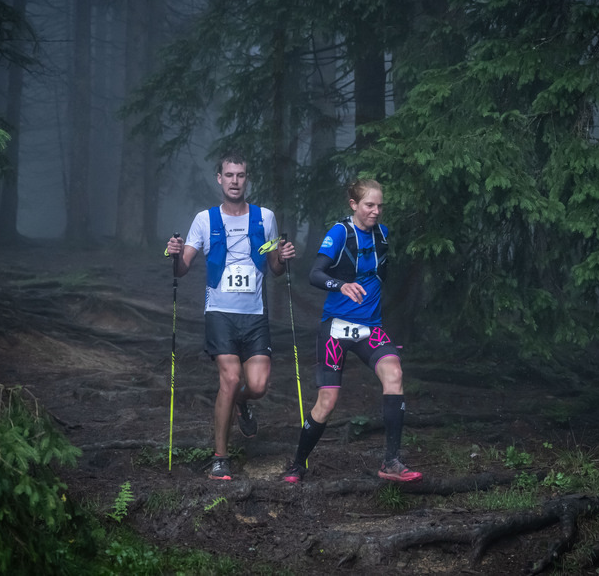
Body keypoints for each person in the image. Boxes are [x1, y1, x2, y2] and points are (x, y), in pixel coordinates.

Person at [166, 151, 295, 481]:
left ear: (246, 180)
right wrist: (176, 255)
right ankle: (220, 458)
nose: (235, 180)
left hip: (255, 315)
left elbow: (275, 269)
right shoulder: (205, 220)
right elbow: (182, 270)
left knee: (259, 385)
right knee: (231, 378)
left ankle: (240, 404)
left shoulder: (265, 217)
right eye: (229, 175)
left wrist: (282, 256)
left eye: (241, 175)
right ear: (219, 179)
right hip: (220, 313)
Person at [282, 179, 422, 483]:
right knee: (328, 401)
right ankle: (297, 463)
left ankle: (391, 462)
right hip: (336, 328)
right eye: (369, 205)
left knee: (394, 374)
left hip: (370, 328)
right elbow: (315, 274)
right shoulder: (340, 232)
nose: (375, 211)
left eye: (380, 206)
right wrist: (342, 284)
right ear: (354, 205)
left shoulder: (383, 234)